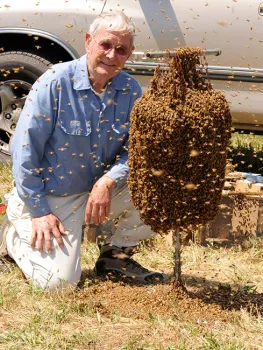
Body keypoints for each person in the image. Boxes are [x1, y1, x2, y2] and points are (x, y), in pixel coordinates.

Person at [0, 11, 163, 289]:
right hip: (52, 195)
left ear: (130, 53)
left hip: (98, 192)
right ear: (88, 41)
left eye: (121, 50)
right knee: (58, 285)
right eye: (105, 45)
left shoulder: (130, 90)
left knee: (159, 180)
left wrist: (109, 179)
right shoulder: (55, 83)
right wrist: (39, 211)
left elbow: (137, 148)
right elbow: (24, 152)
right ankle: (10, 236)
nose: (112, 55)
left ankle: (116, 257)